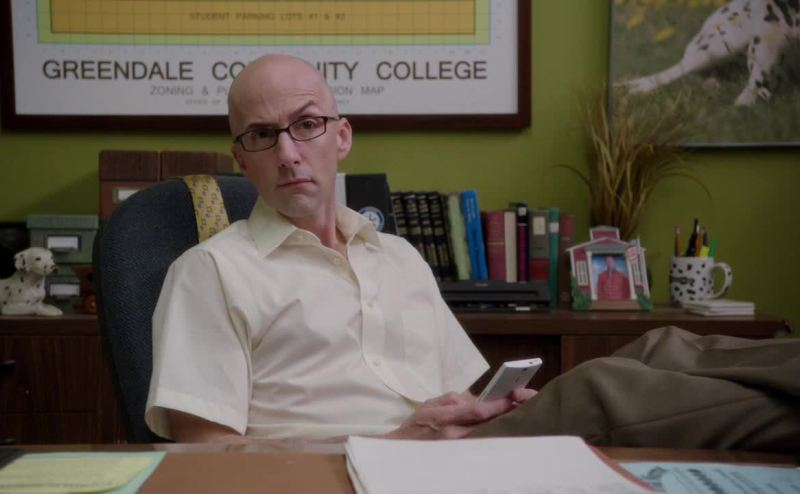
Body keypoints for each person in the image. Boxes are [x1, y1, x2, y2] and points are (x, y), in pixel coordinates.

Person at [144, 54, 534, 443]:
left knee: (558, 409)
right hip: (326, 474)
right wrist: (395, 446)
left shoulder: (400, 257)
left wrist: (492, 415)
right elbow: (205, 448)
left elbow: (457, 401)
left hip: (452, 466)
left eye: (307, 124)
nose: (287, 155)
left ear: (342, 137)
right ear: (242, 160)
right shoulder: (210, 271)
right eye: (261, 135)